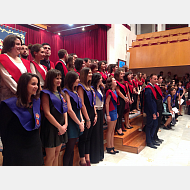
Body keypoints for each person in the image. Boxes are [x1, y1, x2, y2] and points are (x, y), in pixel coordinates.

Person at [0, 73, 43, 166]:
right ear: (24, 85)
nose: (36, 87)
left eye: (37, 84)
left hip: (34, 145)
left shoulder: (36, 101)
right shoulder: (9, 105)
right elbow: (3, 129)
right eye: (33, 84)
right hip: (16, 148)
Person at [40, 69, 68, 166]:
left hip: (61, 126)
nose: (59, 80)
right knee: (50, 156)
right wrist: (59, 126)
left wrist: (65, 124)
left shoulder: (60, 93)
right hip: (51, 127)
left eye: (60, 78)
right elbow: (47, 113)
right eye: (56, 78)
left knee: (57, 154)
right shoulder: (45, 93)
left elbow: (65, 110)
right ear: (50, 79)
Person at [0, 34, 31, 102]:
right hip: (10, 98)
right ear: (9, 45)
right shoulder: (2, 59)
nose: (20, 47)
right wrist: (22, 95)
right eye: (17, 44)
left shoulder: (22, 61)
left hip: (25, 95)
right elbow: (8, 80)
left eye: (20, 44)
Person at [62, 71, 84, 166]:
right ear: (71, 80)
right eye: (77, 78)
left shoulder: (75, 92)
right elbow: (69, 110)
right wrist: (79, 123)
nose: (78, 80)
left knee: (73, 147)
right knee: (69, 149)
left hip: (78, 120)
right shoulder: (66, 92)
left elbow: (79, 108)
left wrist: (82, 120)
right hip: (72, 122)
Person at [77, 67, 97, 166]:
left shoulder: (91, 87)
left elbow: (93, 103)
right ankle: (82, 159)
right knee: (83, 138)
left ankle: (87, 157)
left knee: (89, 137)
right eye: (89, 73)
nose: (91, 74)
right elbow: (82, 104)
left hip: (92, 114)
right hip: (86, 115)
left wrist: (95, 114)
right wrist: (87, 118)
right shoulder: (80, 86)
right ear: (84, 74)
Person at [90, 73, 104, 163]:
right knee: (95, 134)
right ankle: (94, 156)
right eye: (100, 78)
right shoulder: (92, 89)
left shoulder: (101, 89)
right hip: (95, 111)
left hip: (101, 111)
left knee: (100, 133)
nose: (102, 80)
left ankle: (100, 154)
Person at [144, 74, 160, 149]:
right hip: (150, 110)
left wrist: (156, 111)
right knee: (150, 125)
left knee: (155, 124)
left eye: (157, 79)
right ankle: (149, 141)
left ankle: (152, 139)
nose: (156, 80)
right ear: (150, 79)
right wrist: (153, 112)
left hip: (154, 109)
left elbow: (154, 101)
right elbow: (149, 102)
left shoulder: (153, 87)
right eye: (154, 79)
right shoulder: (148, 88)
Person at [105, 76, 119, 154]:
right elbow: (107, 103)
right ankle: (109, 147)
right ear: (111, 82)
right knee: (110, 130)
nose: (115, 81)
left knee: (113, 130)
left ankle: (112, 146)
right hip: (110, 112)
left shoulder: (114, 91)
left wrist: (116, 112)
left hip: (114, 110)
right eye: (114, 80)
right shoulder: (109, 91)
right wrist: (107, 115)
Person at [114, 68, 129, 135]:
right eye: (121, 74)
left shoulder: (122, 82)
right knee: (119, 114)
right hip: (119, 99)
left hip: (122, 100)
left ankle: (120, 126)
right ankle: (118, 128)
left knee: (121, 114)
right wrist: (125, 98)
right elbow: (118, 91)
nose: (123, 75)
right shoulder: (116, 82)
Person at [153, 75, 164, 143]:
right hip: (157, 106)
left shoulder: (158, 87)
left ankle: (156, 136)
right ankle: (154, 137)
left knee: (158, 123)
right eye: (156, 79)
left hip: (160, 106)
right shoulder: (154, 87)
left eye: (158, 79)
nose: (158, 80)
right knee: (155, 123)